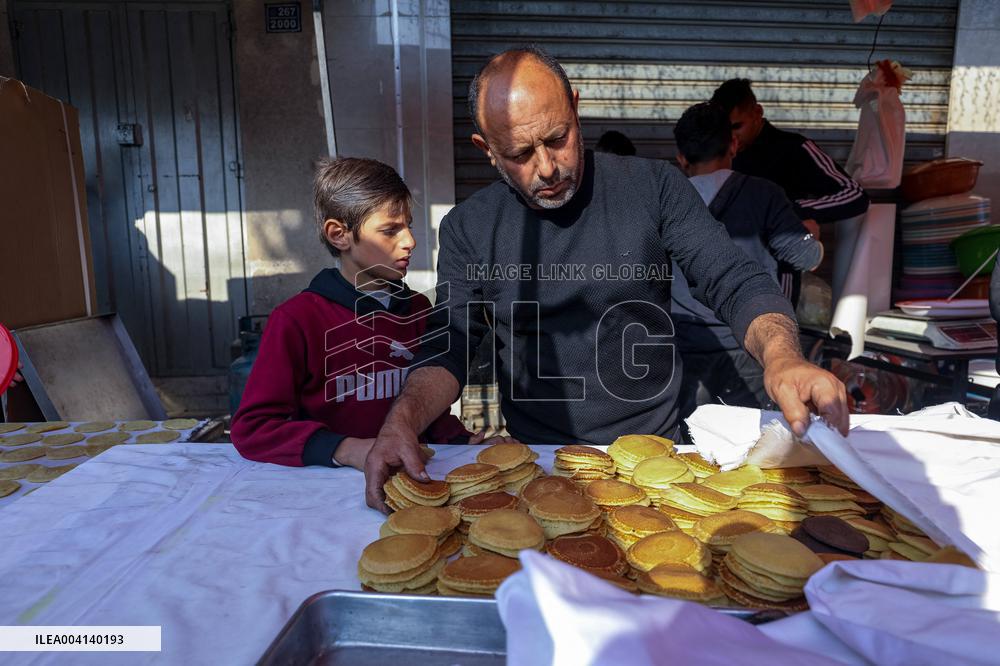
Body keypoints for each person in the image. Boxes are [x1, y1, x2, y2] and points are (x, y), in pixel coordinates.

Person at [364, 47, 849, 512]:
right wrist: (402, 422)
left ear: (575, 108)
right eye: (520, 153)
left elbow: (732, 277)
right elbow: (450, 342)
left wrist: (783, 357)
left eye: (557, 138)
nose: (547, 168)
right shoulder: (469, 227)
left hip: (652, 457)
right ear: (486, 150)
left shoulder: (654, 187)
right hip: (536, 463)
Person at [231, 157, 479, 470]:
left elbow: (428, 413)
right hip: (328, 486)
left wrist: (464, 442)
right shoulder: (297, 320)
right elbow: (253, 429)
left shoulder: (417, 309)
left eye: (409, 226)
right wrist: (347, 449)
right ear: (339, 234)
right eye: (390, 230)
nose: (410, 241)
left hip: (410, 478)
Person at [671, 102, 823, 426]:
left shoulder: (666, 198)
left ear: (682, 158)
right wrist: (812, 234)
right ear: (734, 144)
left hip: (681, 350)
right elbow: (804, 257)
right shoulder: (762, 194)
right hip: (749, 345)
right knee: (749, 444)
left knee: (684, 448)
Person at [710, 78, 869, 301]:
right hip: (724, 278)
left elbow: (855, 195)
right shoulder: (715, 155)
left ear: (757, 112)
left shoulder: (794, 149)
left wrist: (791, 210)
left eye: (738, 127)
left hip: (776, 281)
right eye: (725, 130)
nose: (732, 138)